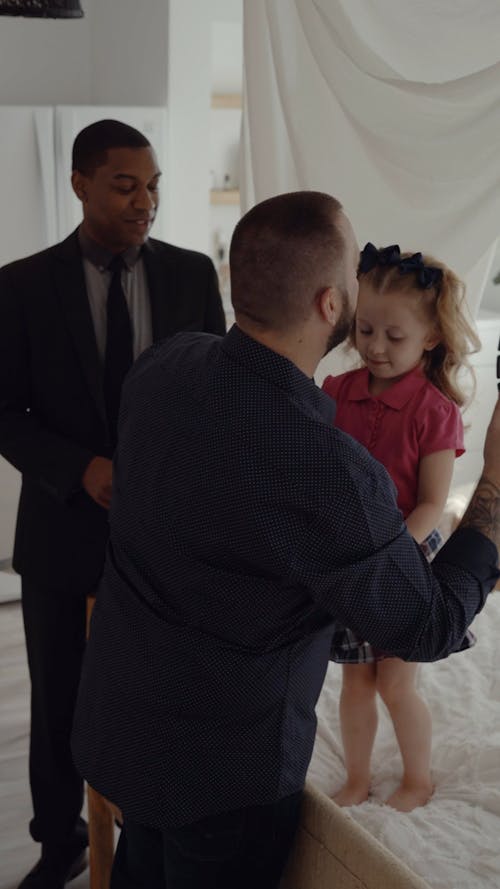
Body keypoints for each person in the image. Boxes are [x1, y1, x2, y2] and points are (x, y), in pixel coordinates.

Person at [70, 191, 500, 889]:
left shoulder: (166, 366)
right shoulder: (321, 467)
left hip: (120, 722)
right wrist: (493, 491)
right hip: (220, 777)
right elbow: (427, 624)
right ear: (333, 305)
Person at [0, 119, 226, 889]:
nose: (146, 200)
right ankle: (57, 842)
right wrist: (80, 468)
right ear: (79, 184)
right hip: (61, 531)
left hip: (167, 537)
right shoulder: (20, 285)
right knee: (59, 697)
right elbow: (2, 411)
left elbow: (216, 401)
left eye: (154, 184)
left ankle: (145, 833)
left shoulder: (195, 275)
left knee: (160, 692)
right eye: (127, 184)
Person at [322, 242, 481, 812]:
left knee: (395, 682)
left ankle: (418, 779)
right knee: (355, 682)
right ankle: (358, 778)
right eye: (365, 331)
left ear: (431, 338)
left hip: (405, 557)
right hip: (350, 557)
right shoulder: (336, 392)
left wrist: (386, 556)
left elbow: (432, 506)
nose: (375, 348)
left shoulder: (433, 411)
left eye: (395, 337)